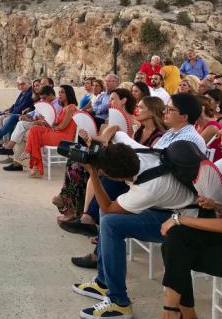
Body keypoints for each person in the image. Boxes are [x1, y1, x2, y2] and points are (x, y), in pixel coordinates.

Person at [72, 93, 206, 319]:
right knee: (109, 218)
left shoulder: (186, 145)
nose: (164, 112)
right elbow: (122, 134)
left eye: (170, 109)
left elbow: (111, 206)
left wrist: (95, 173)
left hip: (179, 220)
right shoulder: (154, 143)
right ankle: (105, 282)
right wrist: (105, 139)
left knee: (111, 220)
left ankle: (119, 302)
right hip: (162, 203)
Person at [160, 110, 222, 319]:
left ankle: (176, 312)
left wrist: (178, 218)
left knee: (175, 251)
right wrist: (216, 205)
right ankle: (178, 312)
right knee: (174, 242)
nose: (220, 134)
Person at [66, 97, 167, 269]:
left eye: (141, 107)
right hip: (132, 179)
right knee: (100, 175)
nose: (137, 109)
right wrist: (104, 139)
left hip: (143, 182)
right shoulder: (139, 131)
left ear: (152, 111)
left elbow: (144, 160)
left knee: (105, 183)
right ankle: (89, 222)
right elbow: (116, 128)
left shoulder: (159, 137)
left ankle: (90, 223)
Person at [6, 85, 78, 177]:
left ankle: (33, 163)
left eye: (62, 92)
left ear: (69, 93)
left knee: (35, 134)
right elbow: (54, 124)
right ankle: (32, 163)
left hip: (63, 137)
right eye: (59, 92)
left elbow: (62, 126)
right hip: (57, 133)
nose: (60, 94)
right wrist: (44, 121)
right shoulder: (64, 108)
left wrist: (51, 127)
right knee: (34, 130)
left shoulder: (71, 107)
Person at [0, 85, 62, 158]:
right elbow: (35, 112)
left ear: (51, 95)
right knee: (20, 127)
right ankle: (15, 158)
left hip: (46, 126)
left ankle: (12, 152)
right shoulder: (44, 101)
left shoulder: (57, 105)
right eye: (42, 98)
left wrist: (38, 119)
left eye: (44, 98)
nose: (43, 100)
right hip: (36, 121)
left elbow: (52, 121)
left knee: (20, 128)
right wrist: (27, 116)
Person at [0, 76, 34, 145]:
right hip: (18, 112)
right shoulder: (23, 92)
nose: (20, 86)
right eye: (18, 84)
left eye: (22, 84)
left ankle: (0, 140)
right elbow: (16, 104)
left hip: (24, 114)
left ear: (29, 84)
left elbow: (22, 107)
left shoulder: (30, 93)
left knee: (3, 117)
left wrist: (10, 113)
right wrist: (9, 109)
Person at [195, 95, 222, 162]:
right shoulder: (196, 124)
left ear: (202, 108)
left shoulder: (212, 127)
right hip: (204, 162)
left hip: (215, 165)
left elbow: (194, 147)